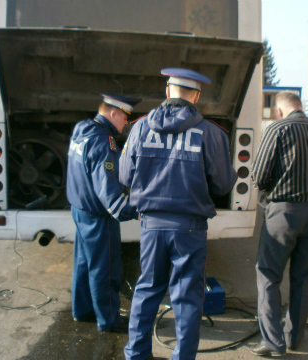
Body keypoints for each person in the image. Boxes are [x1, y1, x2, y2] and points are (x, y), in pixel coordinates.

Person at [120, 68, 237, 360]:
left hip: (151, 226)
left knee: (147, 290)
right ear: (196, 96)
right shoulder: (210, 133)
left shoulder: (139, 127)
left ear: (167, 91)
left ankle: (136, 354)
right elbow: (222, 184)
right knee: (186, 298)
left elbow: (124, 176)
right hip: (190, 228)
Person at [249, 91, 308, 357]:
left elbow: (259, 175)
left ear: (279, 110)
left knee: (268, 275)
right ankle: (294, 338)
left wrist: (272, 190)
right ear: (299, 106)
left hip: (284, 213)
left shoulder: (278, 129)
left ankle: (272, 342)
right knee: (304, 276)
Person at [66, 93, 141, 333]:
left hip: (79, 209)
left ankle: (82, 311)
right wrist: (135, 210)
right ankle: (109, 320)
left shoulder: (82, 128)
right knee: (105, 270)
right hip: (98, 217)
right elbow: (111, 196)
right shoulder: (104, 143)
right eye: (125, 117)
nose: (126, 122)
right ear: (113, 113)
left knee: (83, 263)